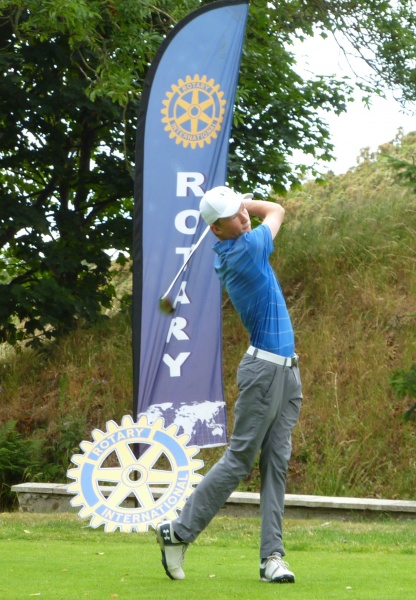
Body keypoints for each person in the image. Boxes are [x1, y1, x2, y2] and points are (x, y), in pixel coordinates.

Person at [156, 185, 303, 583]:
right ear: (217, 231)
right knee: (240, 459)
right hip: (264, 373)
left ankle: (272, 557)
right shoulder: (244, 250)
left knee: (277, 463)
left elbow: (257, 214)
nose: (243, 218)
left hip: (288, 372)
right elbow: (277, 209)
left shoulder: (232, 241)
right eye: (234, 217)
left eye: (242, 212)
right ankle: (179, 532)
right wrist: (248, 201)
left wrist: (233, 203)